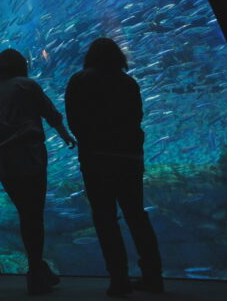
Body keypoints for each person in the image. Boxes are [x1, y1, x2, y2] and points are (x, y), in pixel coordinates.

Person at [65, 38, 163, 297]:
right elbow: (136, 117)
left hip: (96, 160)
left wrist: (91, 141)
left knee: (105, 219)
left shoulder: (79, 80)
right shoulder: (128, 82)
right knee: (137, 215)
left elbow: (74, 120)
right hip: (129, 158)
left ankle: (118, 279)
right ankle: (154, 277)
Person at [0, 49, 76, 295]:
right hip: (28, 156)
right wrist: (65, 135)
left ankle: (39, 269)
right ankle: (35, 273)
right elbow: (50, 113)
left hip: (2, 162)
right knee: (34, 215)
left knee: (26, 213)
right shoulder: (26, 85)